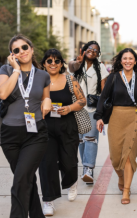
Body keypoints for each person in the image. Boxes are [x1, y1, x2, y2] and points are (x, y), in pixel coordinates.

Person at [0, 35, 51, 218]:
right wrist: (16, 70)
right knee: (25, 178)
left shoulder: (43, 75)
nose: (22, 51)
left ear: (32, 49)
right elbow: (3, 93)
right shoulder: (6, 70)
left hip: (35, 134)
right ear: (13, 55)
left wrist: (48, 100)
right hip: (10, 135)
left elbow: (45, 96)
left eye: (24, 47)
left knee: (20, 179)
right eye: (16, 50)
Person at [95, 48, 137, 204]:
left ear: (135, 61)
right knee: (115, 157)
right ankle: (120, 176)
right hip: (116, 117)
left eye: (131, 58)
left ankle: (126, 190)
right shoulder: (113, 77)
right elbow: (103, 97)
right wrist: (98, 117)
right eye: (125, 58)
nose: (128, 61)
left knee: (128, 156)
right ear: (120, 61)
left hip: (135, 117)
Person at [38, 49, 87, 216]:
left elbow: (82, 100)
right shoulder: (38, 81)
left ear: (61, 64)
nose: (53, 64)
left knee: (69, 160)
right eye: (49, 61)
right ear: (43, 63)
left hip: (67, 125)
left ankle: (72, 182)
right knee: (47, 163)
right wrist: (42, 107)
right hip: (45, 127)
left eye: (57, 61)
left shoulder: (69, 79)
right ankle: (48, 201)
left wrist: (69, 108)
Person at [68, 41, 109, 184]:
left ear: (98, 54)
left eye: (96, 50)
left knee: (90, 138)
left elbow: (104, 91)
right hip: (76, 108)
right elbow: (70, 72)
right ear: (84, 50)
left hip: (92, 109)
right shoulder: (76, 64)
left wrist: (101, 113)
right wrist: (77, 63)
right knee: (80, 140)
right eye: (90, 49)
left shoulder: (101, 67)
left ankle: (88, 169)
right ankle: (86, 167)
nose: (92, 51)